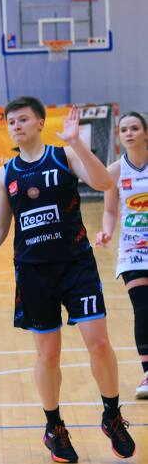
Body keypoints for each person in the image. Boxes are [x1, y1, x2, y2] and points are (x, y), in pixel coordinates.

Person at [0, 97, 135, 462]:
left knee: (99, 343)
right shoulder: (5, 174)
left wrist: (77, 143)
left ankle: (112, 415)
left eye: (23, 119)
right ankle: (53, 427)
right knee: (48, 354)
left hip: (76, 266)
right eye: (11, 121)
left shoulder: (64, 156)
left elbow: (105, 182)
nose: (16, 125)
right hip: (33, 273)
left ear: (40, 123)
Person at [96, 111, 148, 400]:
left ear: (145, 133)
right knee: (143, 309)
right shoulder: (114, 171)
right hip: (132, 250)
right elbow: (110, 210)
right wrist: (106, 231)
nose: (128, 133)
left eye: (134, 128)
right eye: (123, 129)